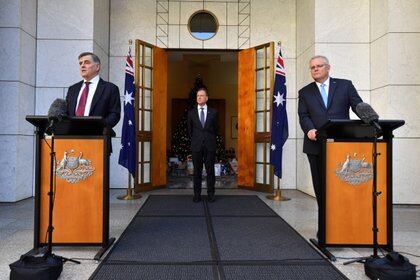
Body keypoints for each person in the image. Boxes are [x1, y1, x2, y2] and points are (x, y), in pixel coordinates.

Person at [298, 55, 363, 236]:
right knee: (321, 188)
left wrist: (370, 117)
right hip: (316, 146)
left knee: (341, 187)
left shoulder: (345, 85)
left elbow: (358, 105)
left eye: (319, 66)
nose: (315, 69)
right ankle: (325, 227)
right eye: (312, 67)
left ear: (328, 68)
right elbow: (303, 115)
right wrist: (310, 129)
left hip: (341, 146)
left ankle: (343, 225)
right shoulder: (305, 92)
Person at [66, 52, 121, 132]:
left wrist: (98, 129)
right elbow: (67, 113)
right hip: (72, 138)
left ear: (97, 67)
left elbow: (114, 114)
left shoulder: (110, 88)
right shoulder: (73, 89)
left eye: (87, 62)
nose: (82, 65)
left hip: (98, 138)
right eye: (80, 63)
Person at [187, 87, 219, 203]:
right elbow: (190, 131)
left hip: (210, 146)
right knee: (197, 171)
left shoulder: (214, 112)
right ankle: (197, 194)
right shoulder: (191, 113)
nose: (199, 97)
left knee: (210, 171)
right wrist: (197, 140)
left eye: (201, 95)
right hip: (196, 146)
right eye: (197, 96)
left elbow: (216, 130)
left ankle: (211, 194)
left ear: (206, 98)